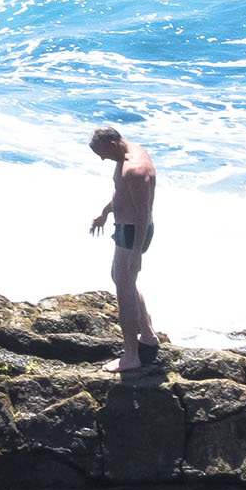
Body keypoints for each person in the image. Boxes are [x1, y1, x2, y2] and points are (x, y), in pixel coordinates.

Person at [87, 126, 160, 372]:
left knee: (124, 286)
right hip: (125, 229)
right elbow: (121, 192)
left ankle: (131, 355)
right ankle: (148, 335)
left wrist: (137, 252)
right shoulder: (126, 155)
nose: (101, 158)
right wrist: (105, 212)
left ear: (113, 145)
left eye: (101, 153)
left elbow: (143, 213)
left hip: (132, 233)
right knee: (122, 279)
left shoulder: (136, 169)